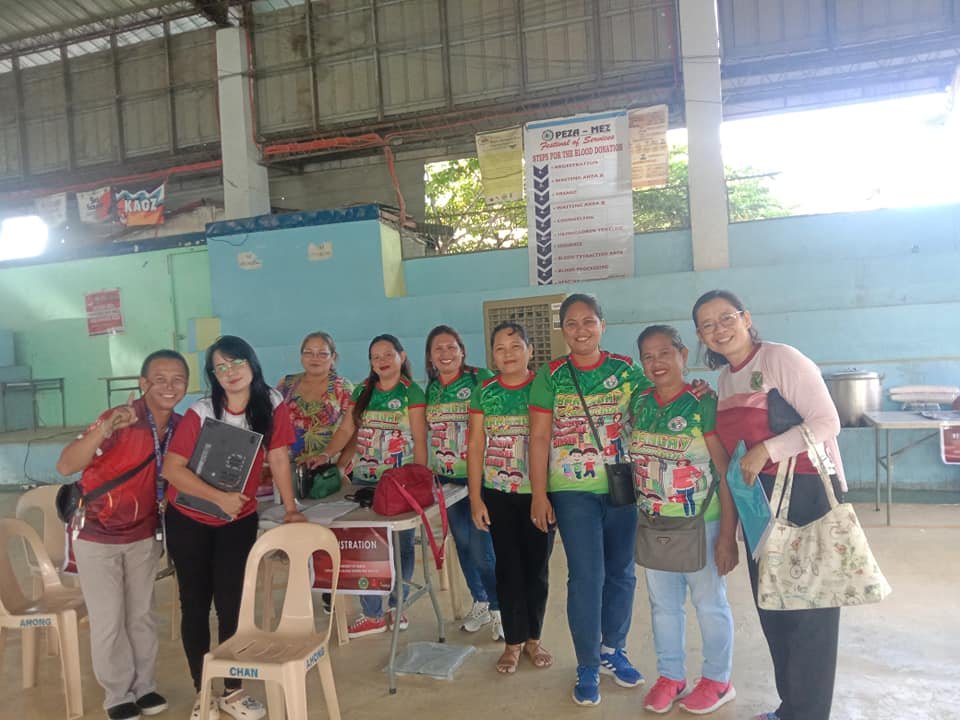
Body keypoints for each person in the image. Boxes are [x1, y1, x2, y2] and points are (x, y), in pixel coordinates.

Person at [692, 289, 847, 720]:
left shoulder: (781, 359)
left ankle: (808, 713)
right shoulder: (725, 380)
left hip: (806, 496)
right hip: (759, 503)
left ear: (746, 318)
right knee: (774, 608)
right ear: (701, 336)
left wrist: (769, 450)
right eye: (708, 324)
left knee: (809, 612)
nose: (719, 329)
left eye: (727, 318)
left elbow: (828, 422)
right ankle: (791, 708)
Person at [162, 336, 305, 720]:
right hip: (188, 519)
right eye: (220, 367)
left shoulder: (272, 403)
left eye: (236, 362)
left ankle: (232, 690)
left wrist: (291, 509)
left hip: (237, 522)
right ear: (213, 375)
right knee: (195, 604)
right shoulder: (201, 411)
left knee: (232, 606)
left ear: (251, 363)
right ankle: (203, 691)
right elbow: (172, 469)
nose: (230, 372)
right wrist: (218, 497)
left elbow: (278, 456)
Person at [528, 293, 651, 706]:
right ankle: (586, 664)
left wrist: (694, 388)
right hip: (572, 491)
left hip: (621, 486)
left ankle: (613, 649)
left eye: (588, 321)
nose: (580, 330)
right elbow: (539, 437)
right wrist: (539, 494)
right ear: (562, 330)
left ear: (602, 325)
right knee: (586, 577)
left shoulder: (625, 370)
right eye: (571, 323)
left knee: (622, 573)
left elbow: (658, 401)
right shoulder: (551, 375)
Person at [56, 350, 188, 720]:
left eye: (177, 379)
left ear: (186, 385)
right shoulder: (121, 419)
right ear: (143, 383)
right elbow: (66, 464)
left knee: (141, 615)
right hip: (97, 535)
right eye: (159, 379)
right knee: (109, 619)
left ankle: (144, 687)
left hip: (144, 534)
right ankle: (117, 695)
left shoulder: (182, 427)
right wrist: (106, 428)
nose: (169, 386)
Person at [630, 325, 738, 715]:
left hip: (700, 524)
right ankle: (671, 677)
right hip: (654, 524)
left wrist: (727, 536)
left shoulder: (702, 403)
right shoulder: (639, 402)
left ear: (683, 355)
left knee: (709, 604)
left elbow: (724, 472)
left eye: (664, 353)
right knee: (663, 607)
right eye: (648, 356)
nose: (656, 363)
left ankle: (718, 681)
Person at [319, 334, 427, 637]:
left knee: (401, 547)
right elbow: (346, 430)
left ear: (401, 357)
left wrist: (418, 478)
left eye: (388, 354)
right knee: (367, 547)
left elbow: (420, 439)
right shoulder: (363, 390)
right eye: (375, 356)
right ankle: (372, 613)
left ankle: (397, 606)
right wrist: (327, 455)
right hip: (365, 481)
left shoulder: (412, 392)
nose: (382, 361)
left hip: (399, 484)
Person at [469, 321, 554, 674]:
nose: (508, 354)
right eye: (500, 349)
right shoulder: (485, 391)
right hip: (498, 495)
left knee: (537, 569)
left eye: (516, 346)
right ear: (492, 356)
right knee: (508, 570)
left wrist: (543, 495)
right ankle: (513, 643)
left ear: (530, 351)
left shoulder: (544, 387)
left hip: (540, 495)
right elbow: (475, 445)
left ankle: (534, 639)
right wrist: (476, 499)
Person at [424, 324, 501, 638]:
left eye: (451, 347)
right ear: (430, 357)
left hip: (480, 477)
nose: (445, 354)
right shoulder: (432, 389)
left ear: (462, 351)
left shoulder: (480, 378)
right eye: (438, 349)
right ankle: (480, 601)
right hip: (446, 479)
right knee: (463, 544)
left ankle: (499, 608)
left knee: (483, 547)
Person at [276, 331, 354, 470]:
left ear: (333, 357)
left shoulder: (343, 388)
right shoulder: (286, 385)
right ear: (301, 356)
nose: (315, 358)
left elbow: (353, 432)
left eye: (322, 354)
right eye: (308, 353)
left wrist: (340, 467)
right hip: (286, 467)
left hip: (327, 470)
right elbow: (273, 426)